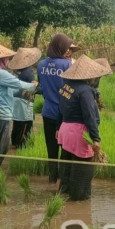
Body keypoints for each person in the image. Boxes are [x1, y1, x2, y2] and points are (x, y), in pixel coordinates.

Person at [57, 55, 111, 201]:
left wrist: (58, 127)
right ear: (89, 75)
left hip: (65, 130)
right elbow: (89, 116)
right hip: (79, 134)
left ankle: (63, 196)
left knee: (67, 167)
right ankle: (78, 201)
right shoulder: (85, 91)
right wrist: (96, 138)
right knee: (83, 171)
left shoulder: (65, 86)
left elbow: (60, 109)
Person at [0, 42, 37, 168]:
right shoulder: (0, 73)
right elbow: (19, 84)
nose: (7, 59)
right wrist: (35, 85)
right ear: (0, 59)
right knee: (2, 147)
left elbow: (10, 90)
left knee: (0, 144)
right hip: (0, 115)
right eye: (6, 57)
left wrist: (22, 94)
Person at [37, 33, 78, 184]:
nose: (68, 49)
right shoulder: (67, 65)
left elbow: (41, 87)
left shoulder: (41, 65)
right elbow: (71, 87)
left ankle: (52, 178)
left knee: (51, 147)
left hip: (48, 112)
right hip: (64, 113)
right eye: (66, 46)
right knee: (64, 147)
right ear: (61, 47)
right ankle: (62, 181)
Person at [6, 47, 42, 149]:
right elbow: (32, 87)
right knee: (26, 124)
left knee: (17, 123)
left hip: (16, 100)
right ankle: (21, 144)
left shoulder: (17, 72)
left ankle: (14, 141)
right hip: (25, 102)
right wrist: (38, 86)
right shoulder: (28, 72)